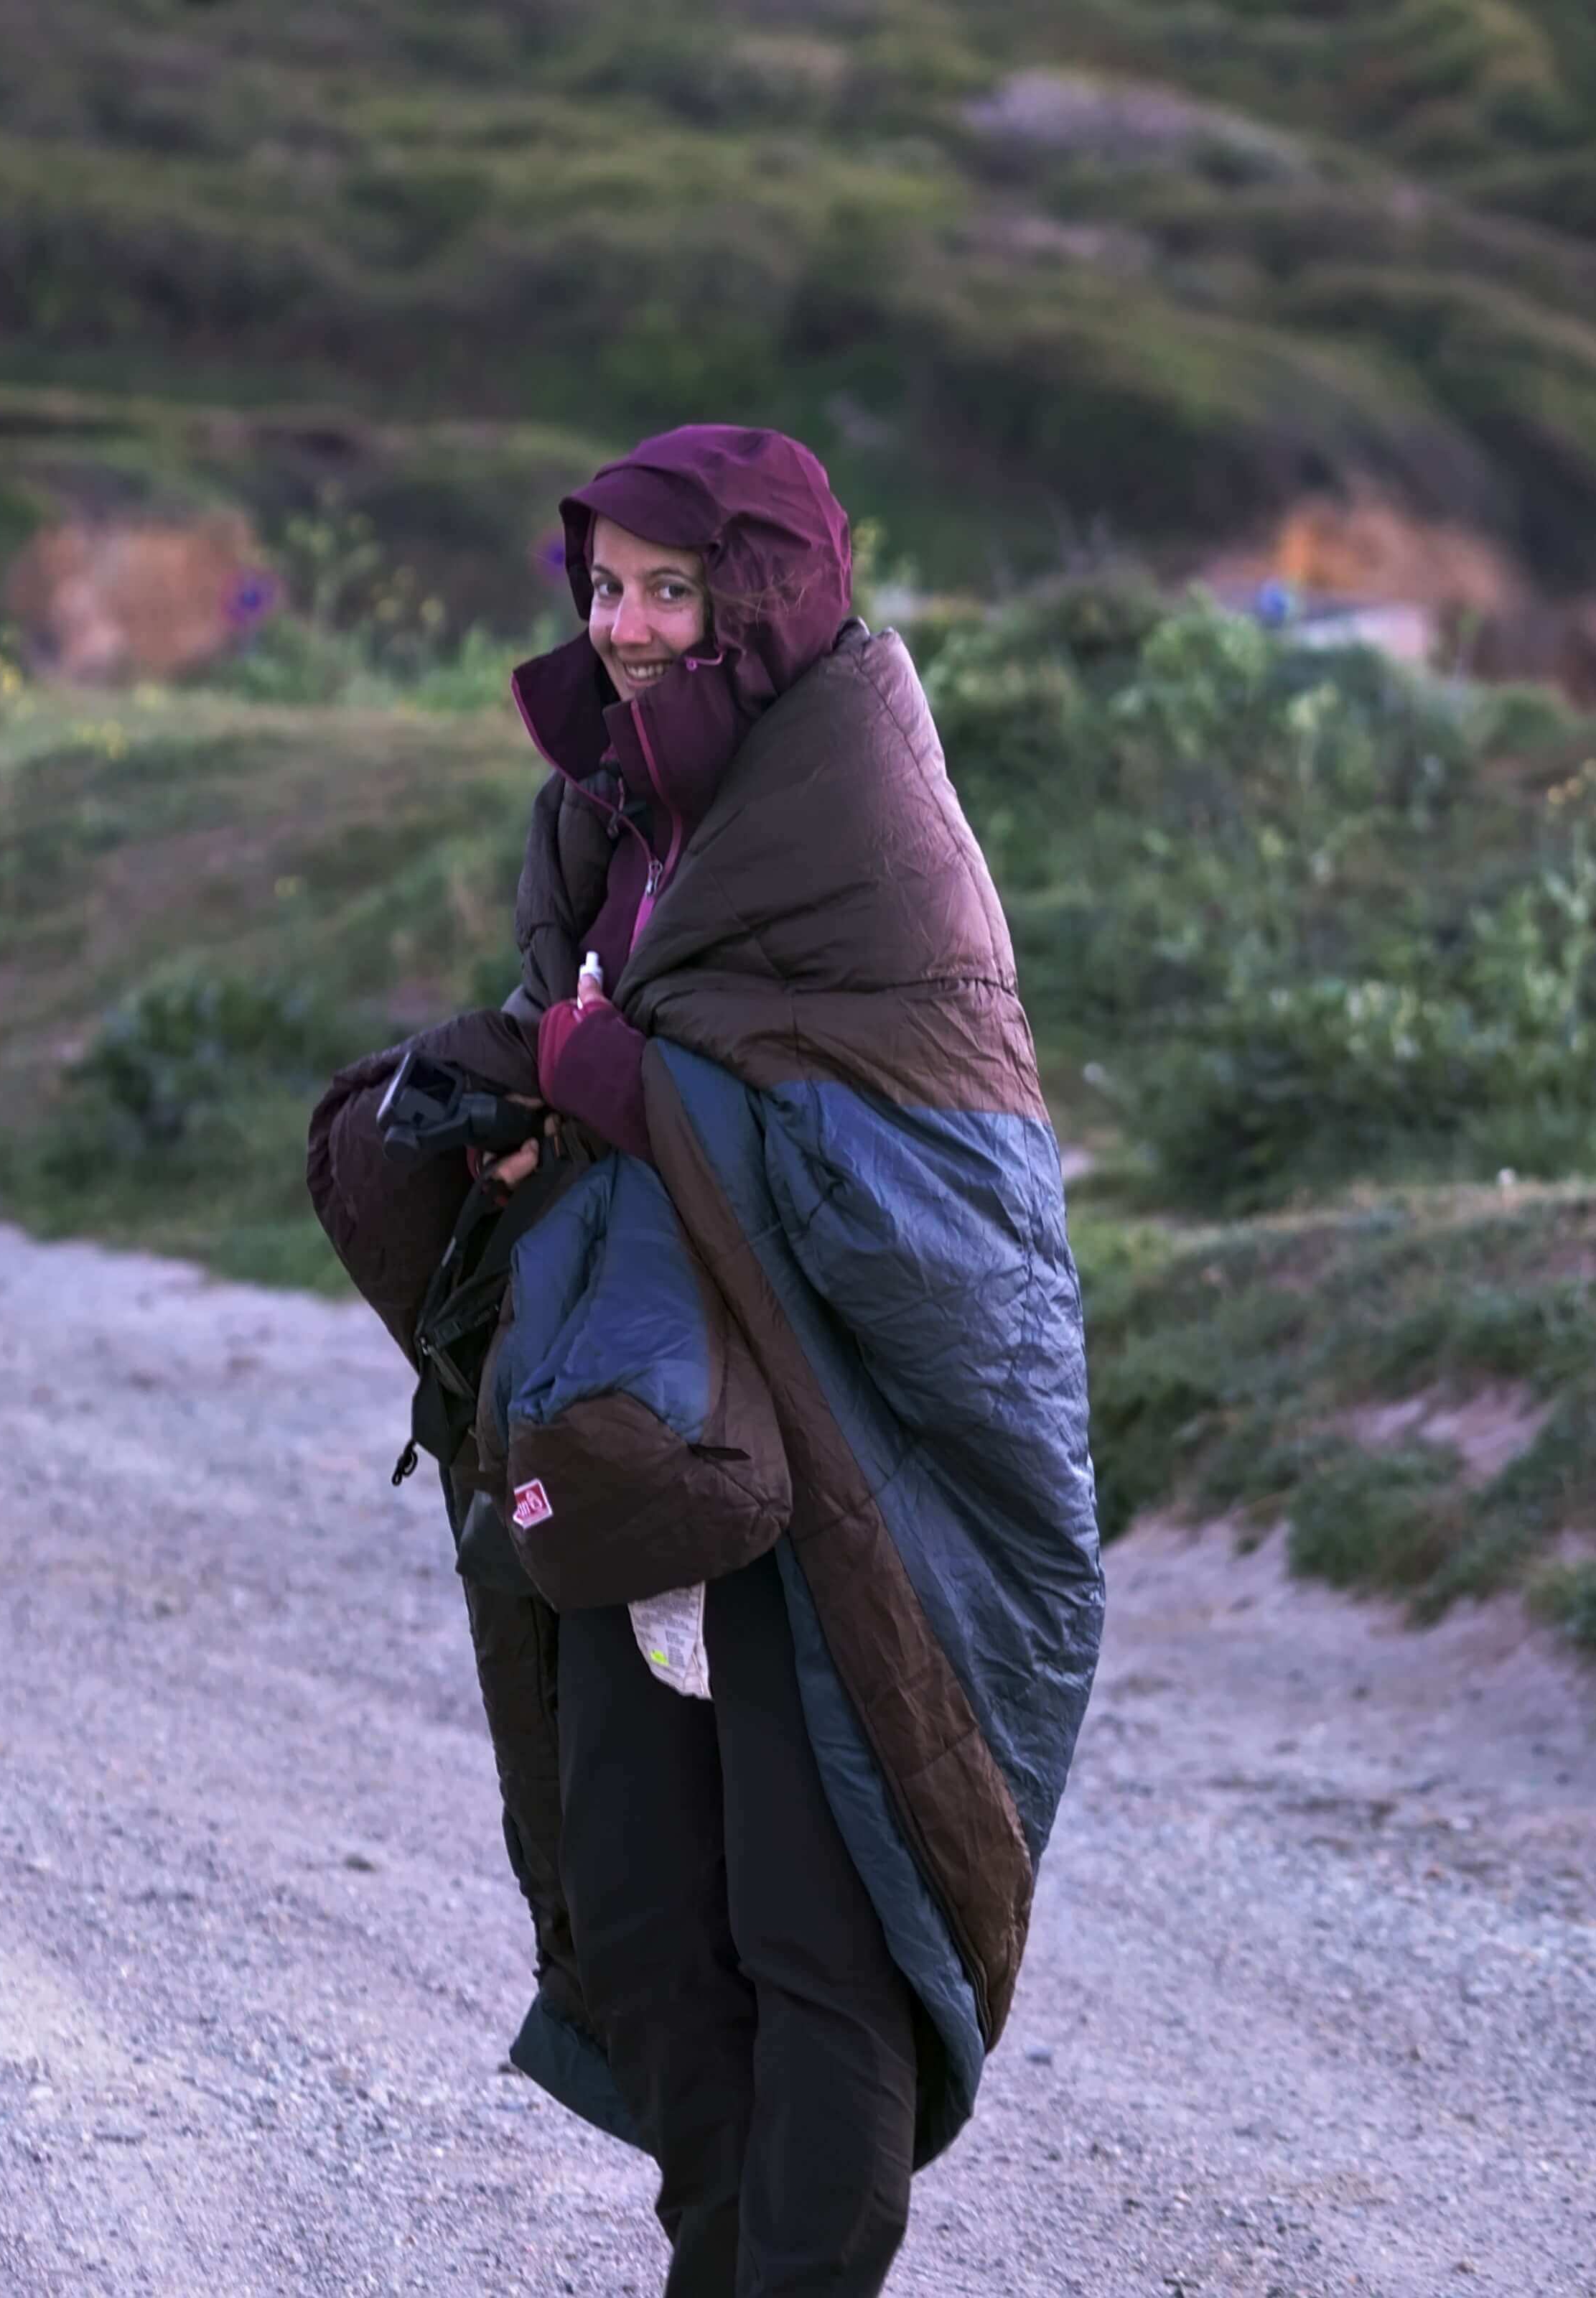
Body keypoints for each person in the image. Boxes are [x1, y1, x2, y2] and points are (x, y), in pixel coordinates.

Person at [307, 425, 1103, 2297]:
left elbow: (916, 1189)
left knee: (821, 1946)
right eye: (607, 587)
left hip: (843, 1468)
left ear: (767, 600)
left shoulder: (865, 841)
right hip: (639, 1434)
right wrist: (510, 1104)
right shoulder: (603, 815)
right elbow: (600, 1042)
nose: (634, 625)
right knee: (657, 1934)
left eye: (674, 588)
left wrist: (628, 1092)